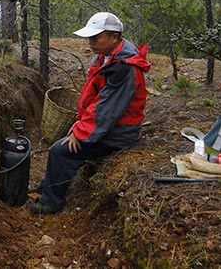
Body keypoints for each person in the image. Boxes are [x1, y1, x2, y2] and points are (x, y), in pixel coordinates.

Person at [29, 12, 150, 214]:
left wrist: (81, 131)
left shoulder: (124, 68)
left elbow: (107, 110)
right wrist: (79, 123)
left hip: (119, 133)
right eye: (89, 38)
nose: (90, 42)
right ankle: (46, 188)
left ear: (114, 37)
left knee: (60, 151)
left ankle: (51, 202)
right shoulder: (107, 58)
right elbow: (97, 100)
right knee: (64, 140)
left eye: (95, 38)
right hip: (110, 125)